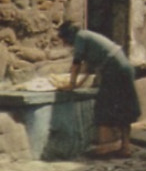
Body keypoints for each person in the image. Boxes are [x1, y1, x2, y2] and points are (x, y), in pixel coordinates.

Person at [57, 21, 141, 158]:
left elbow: (77, 64)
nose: (65, 43)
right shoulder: (89, 37)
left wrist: (71, 84)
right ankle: (125, 147)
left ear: (68, 35)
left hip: (114, 70)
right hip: (125, 68)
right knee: (124, 107)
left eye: (64, 39)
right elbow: (89, 68)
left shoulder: (80, 37)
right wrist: (78, 84)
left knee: (103, 106)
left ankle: (104, 147)